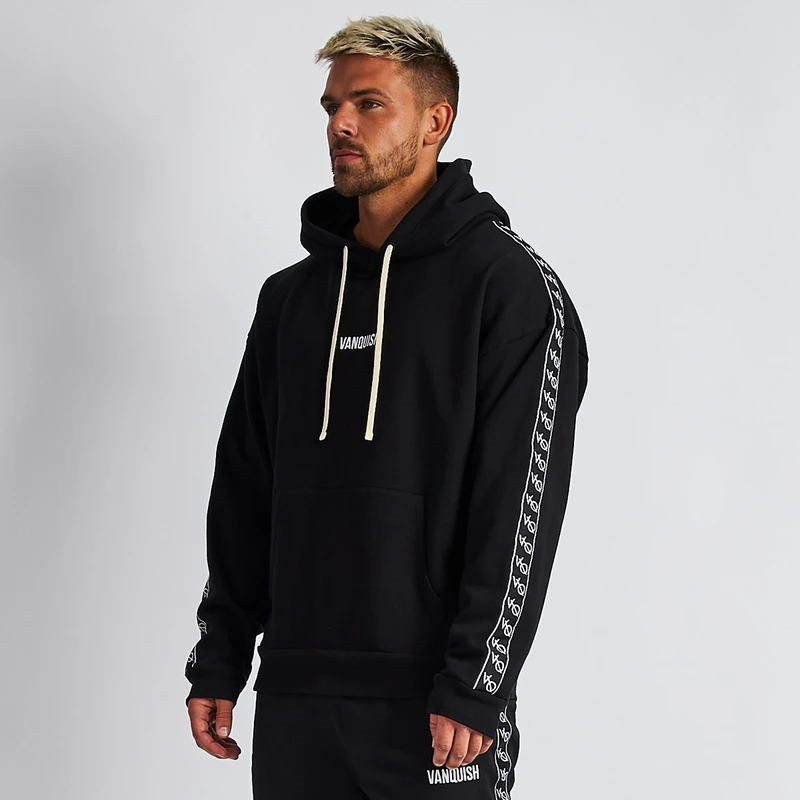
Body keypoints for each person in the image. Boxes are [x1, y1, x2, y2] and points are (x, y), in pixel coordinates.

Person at [184, 15, 589, 799]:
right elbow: (243, 492)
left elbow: (519, 503)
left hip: (436, 704)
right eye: (333, 105)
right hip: (296, 697)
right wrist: (222, 656)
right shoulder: (290, 302)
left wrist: (476, 680)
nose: (341, 123)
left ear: (436, 121)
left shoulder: (508, 291)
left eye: (369, 103)